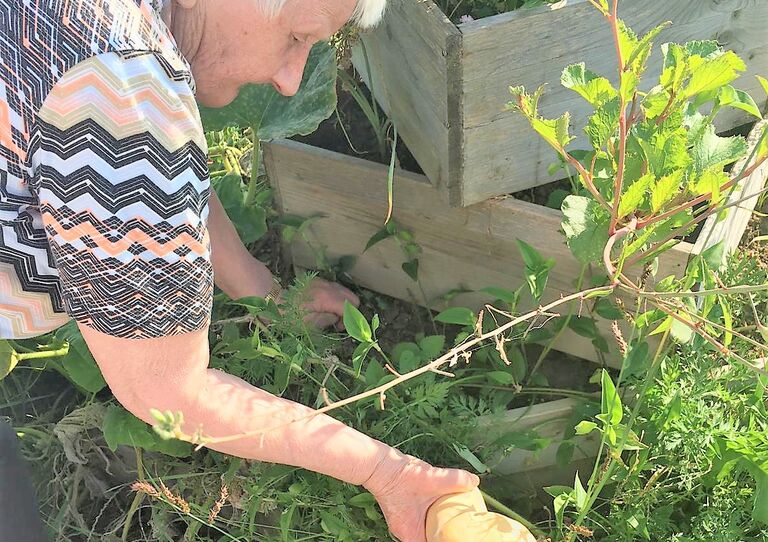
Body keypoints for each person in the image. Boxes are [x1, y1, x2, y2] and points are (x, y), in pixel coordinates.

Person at [0, 1, 479, 541]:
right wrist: (388, 472)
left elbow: (168, 185)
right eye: (297, 38)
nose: (291, 81)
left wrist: (263, 291)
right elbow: (167, 390)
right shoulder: (125, 91)